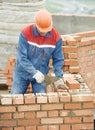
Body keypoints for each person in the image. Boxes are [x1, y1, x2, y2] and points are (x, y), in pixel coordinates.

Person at [11, 9, 64, 94]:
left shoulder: (56, 37)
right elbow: (22, 58)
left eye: (46, 30)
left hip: (41, 74)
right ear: (36, 24)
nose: (43, 32)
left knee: (40, 99)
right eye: (41, 30)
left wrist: (59, 76)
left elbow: (58, 59)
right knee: (15, 97)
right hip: (22, 72)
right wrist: (34, 73)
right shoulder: (25, 33)